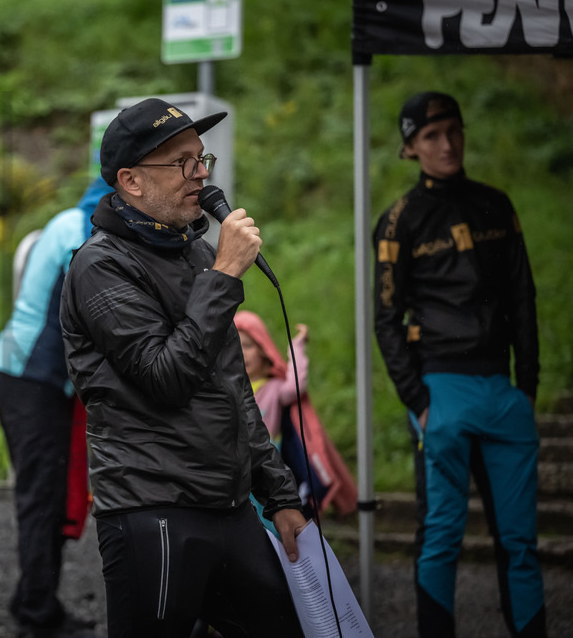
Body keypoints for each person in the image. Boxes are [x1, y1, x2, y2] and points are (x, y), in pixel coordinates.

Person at [59, 97, 306, 637]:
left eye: (202, 159)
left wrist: (280, 495)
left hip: (230, 504)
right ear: (131, 181)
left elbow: (234, 388)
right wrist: (223, 276)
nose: (200, 174)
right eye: (181, 163)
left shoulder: (193, 253)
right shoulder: (99, 265)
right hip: (153, 507)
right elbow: (166, 379)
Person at [373, 92, 545, 637]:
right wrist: (418, 402)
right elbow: (385, 318)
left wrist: (528, 388)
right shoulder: (399, 220)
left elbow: (523, 298)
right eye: (430, 136)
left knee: (520, 541)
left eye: (453, 130)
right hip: (440, 388)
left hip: (502, 389)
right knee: (441, 536)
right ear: (410, 148)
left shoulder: (498, 203)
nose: (446, 144)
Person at [0, 175, 110, 637]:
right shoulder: (84, 230)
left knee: (52, 491)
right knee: (42, 495)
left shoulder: (71, 220)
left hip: (27, 373)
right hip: (29, 376)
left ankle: (34, 599)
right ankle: (37, 613)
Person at [234, 310, 357, 520]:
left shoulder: (274, 389)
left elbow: (296, 386)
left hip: (266, 469)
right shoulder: (228, 388)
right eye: (235, 347)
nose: (241, 353)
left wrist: (297, 348)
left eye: (247, 346)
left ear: (264, 350)